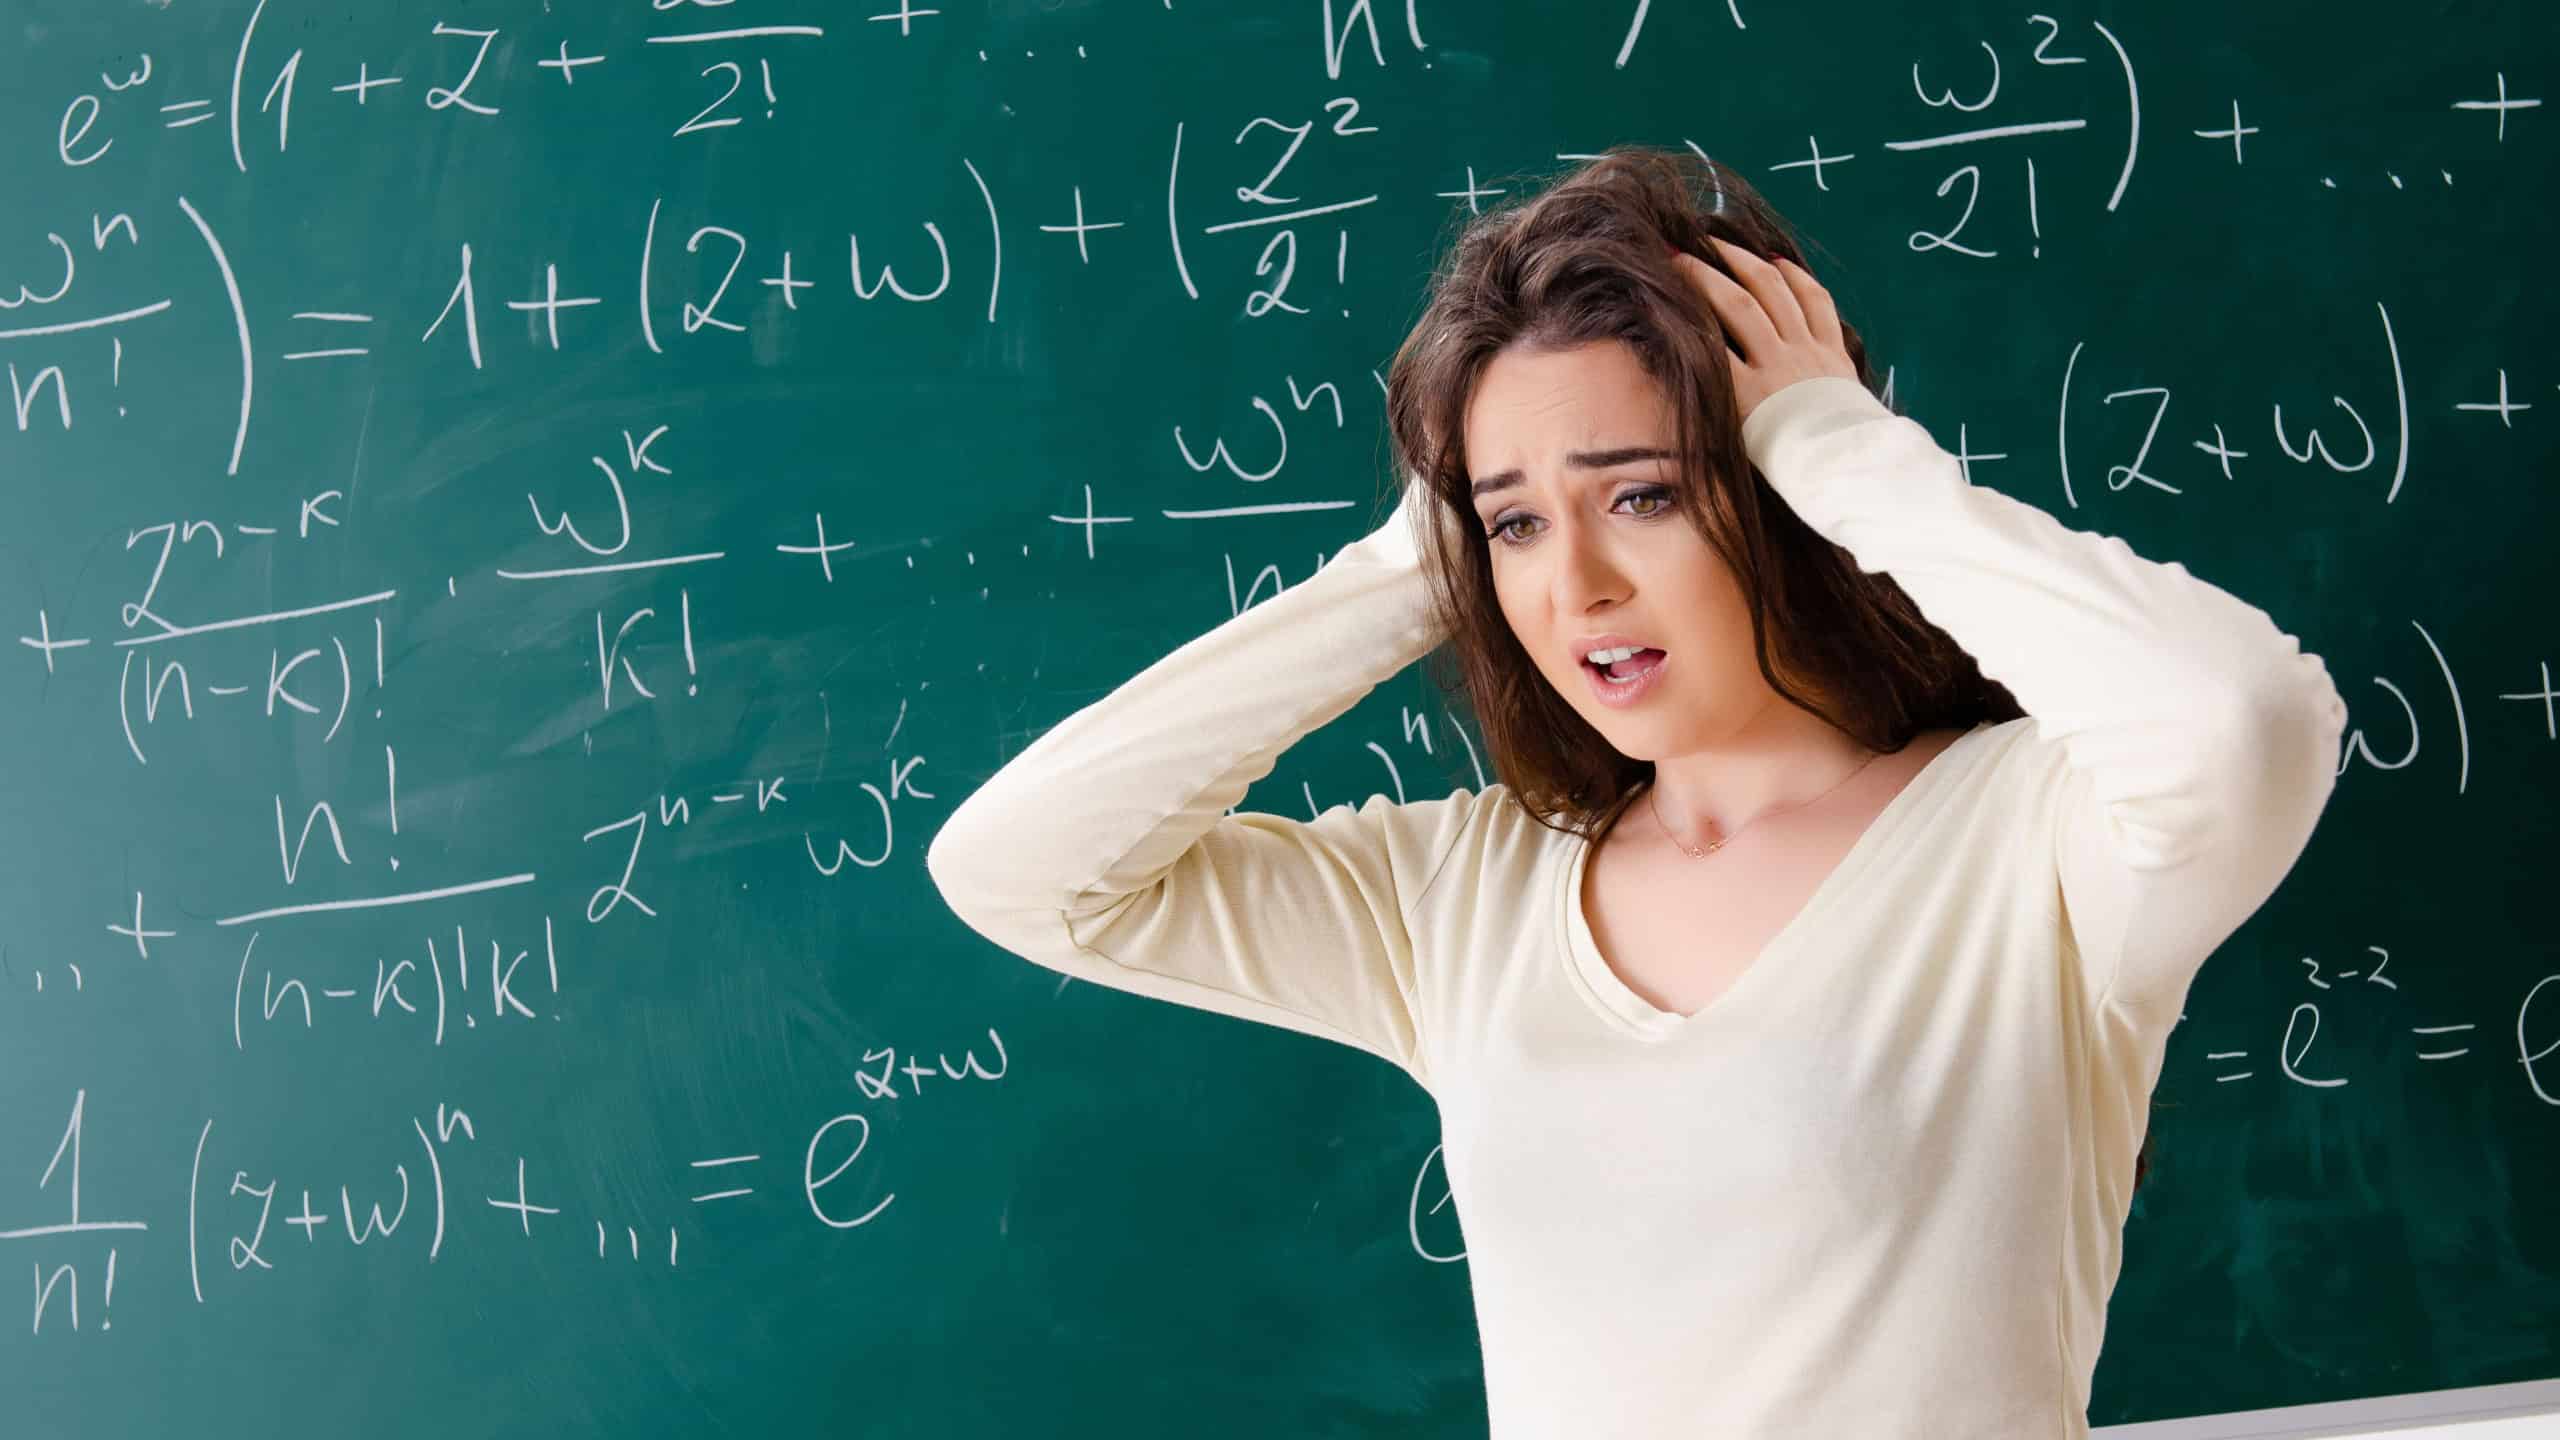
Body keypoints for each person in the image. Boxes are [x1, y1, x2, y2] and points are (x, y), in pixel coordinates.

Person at [925, 146, 2348, 1438]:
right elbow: (1015, 870)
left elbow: (2243, 722)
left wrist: (1839, 450)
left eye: (1644, 494)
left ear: (1779, 494)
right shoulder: (1460, 898)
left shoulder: (2030, 841)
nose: (1579, 586)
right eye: (1520, 525)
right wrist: (1402, 569)